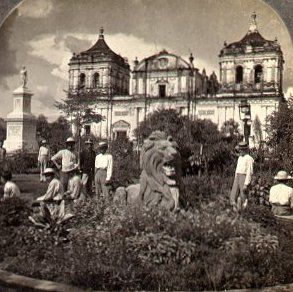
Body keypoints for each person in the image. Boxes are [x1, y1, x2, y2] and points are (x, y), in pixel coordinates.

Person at [230, 141, 254, 211]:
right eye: (240, 150)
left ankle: (244, 209)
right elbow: (237, 169)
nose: (240, 151)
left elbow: (249, 172)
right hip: (238, 176)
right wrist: (235, 177)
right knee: (234, 193)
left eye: (242, 150)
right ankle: (234, 208)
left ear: (246, 150)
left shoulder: (249, 158)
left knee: (243, 194)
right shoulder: (240, 157)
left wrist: (246, 184)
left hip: (244, 176)